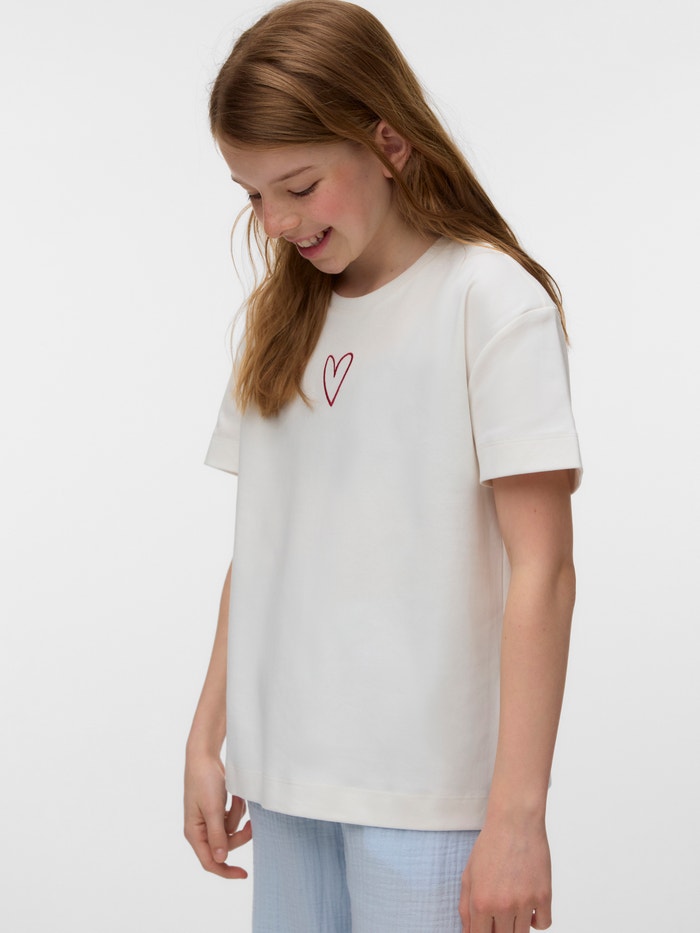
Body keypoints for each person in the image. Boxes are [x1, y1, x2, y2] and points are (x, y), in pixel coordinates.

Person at [184, 1, 582, 930]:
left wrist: (517, 817)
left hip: (426, 798)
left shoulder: (489, 302)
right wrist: (208, 736)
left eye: (299, 185)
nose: (277, 220)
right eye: (252, 195)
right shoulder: (278, 322)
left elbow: (546, 569)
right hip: (285, 782)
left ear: (389, 143)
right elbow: (265, 547)